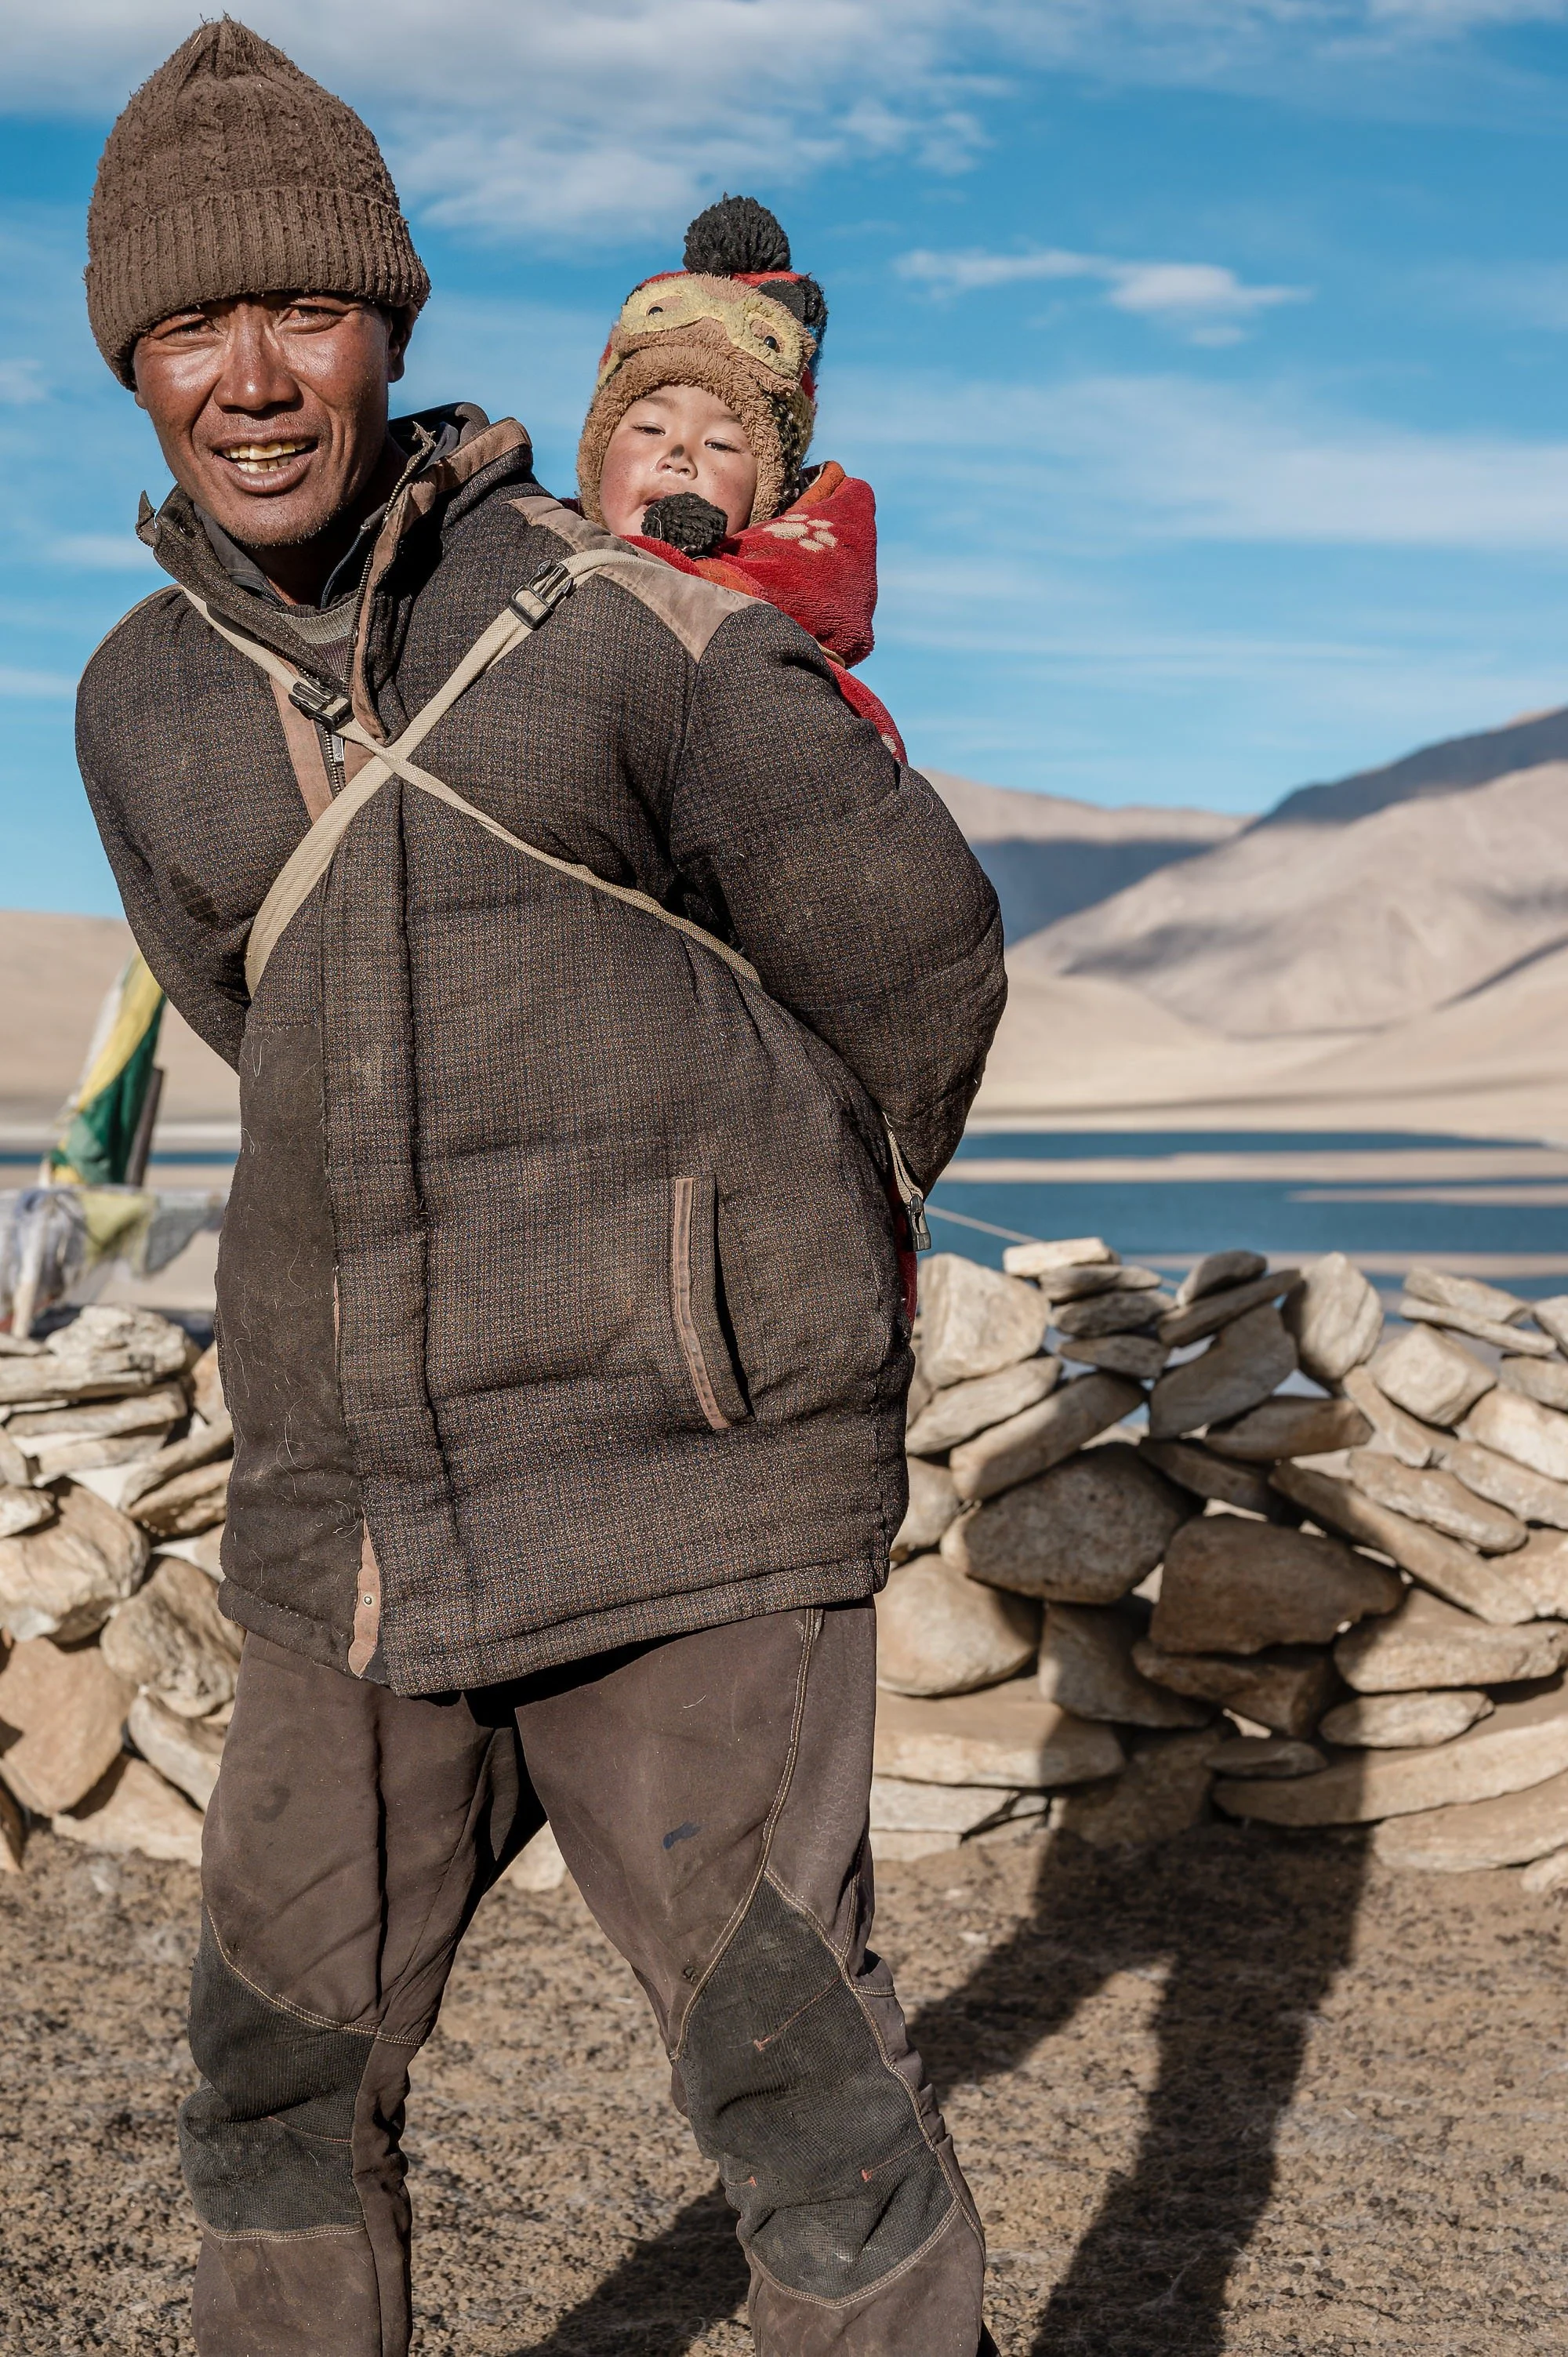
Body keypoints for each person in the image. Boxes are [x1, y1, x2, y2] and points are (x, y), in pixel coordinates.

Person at [74, 23, 1007, 2357]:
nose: (257, 376)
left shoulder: (626, 614)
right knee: (274, 2098)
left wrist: (729, 1287)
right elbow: (257, 1022)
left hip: (678, 1508)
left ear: (391, 325)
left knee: (805, 2104)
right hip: (353, 1528)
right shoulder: (141, 703)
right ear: (129, 361)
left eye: (308, 311)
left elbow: (914, 960)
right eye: (194, 323)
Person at [580, 192, 908, 758]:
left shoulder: (785, 650)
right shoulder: (517, 556)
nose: (680, 456)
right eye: (651, 429)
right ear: (597, 449)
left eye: (721, 443)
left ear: (768, 489)